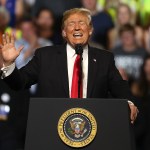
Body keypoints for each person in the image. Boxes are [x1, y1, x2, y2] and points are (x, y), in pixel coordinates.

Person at [0, 8, 138, 123]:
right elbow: (20, 82)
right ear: (64, 32)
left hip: (93, 131)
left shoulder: (104, 58)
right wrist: (9, 64)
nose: (77, 27)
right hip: (52, 129)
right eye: (71, 23)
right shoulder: (45, 56)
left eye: (82, 23)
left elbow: (119, 87)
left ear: (90, 30)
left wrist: (129, 103)